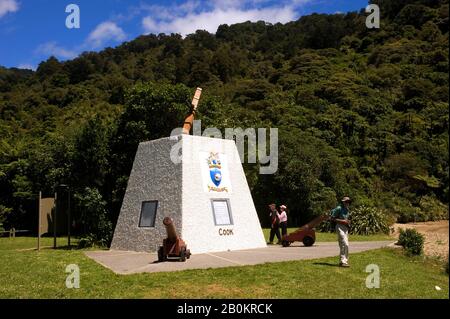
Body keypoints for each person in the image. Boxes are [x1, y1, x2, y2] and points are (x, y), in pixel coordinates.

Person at [329, 196, 352, 267]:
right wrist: (343, 221)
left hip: (345, 228)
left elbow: (346, 219)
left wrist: (348, 223)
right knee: (343, 243)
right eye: (346, 201)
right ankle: (342, 261)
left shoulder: (347, 209)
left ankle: (345, 261)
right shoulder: (339, 208)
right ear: (343, 202)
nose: (348, 203)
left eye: (349, 202)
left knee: (346, 244)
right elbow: (332, 218)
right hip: (339, 227)